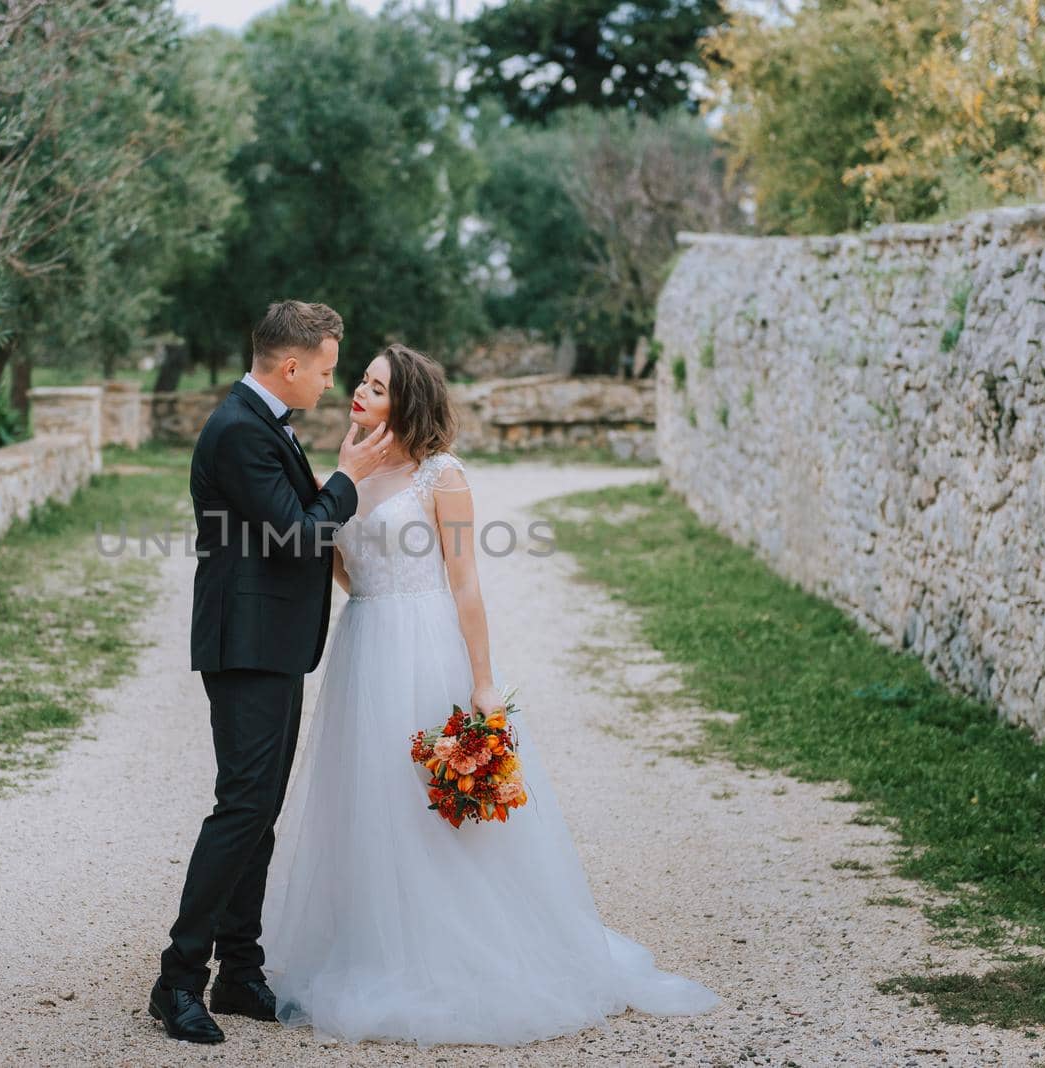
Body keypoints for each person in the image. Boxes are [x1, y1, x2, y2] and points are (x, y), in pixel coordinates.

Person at [257, 342, 720, 1046]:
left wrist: (482, 681)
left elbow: (464, 579)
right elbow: (342, 565)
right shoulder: (346, 473)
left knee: (435, 797)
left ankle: (460, 947)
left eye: (375, 386)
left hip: (425, 642)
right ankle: (378, 940)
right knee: (372, 795)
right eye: (360, 380)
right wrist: (366, 582)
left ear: (404, 401)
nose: (358, 390)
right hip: (365, 644)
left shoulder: (442, 474)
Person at [150, 300, 396, 1044]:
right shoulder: (237, 432)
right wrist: (348, 476)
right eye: (323, 371)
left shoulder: (260, 424)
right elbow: (297, 538)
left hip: (272, 644)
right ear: (290, 366)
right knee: (242, 808)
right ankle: (178, 979)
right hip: (246, 645)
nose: (328, 384)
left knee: (258, 811)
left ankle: (240, 971)